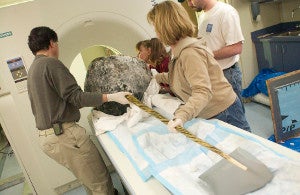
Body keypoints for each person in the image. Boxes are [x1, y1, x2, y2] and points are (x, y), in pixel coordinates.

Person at [27, 26, 130, 195]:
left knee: (89, 181)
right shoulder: (52, 64)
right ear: (52, 43)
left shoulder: (33, 69)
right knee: (100, 183)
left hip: (49, 138)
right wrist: (111, 96)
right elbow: (76, 97)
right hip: (65, 136)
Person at [147, 1, 250, 132]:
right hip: (213, 109)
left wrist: (181, 116)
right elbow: (181, 76)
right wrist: (157, 77)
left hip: (223, 111)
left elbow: (202, 91)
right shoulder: (179, 50)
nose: (156, 33)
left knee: (242, 148)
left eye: (156, 28)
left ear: (164, 28)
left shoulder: (189, 53)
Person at [187, 0, 245, 111]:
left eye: (190, 0)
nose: (189, 4)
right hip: (212, 75)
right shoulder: (203, 17)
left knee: (236, 116)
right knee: (223, 115)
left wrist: (205, 55)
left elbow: (236, 48)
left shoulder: (226, 12)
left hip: (227, 74)